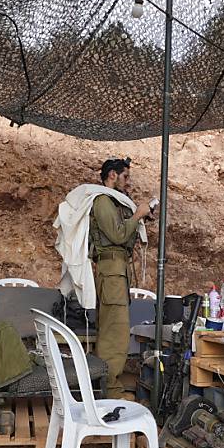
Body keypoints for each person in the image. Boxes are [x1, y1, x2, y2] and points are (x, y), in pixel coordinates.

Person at [91, 157, 150, 399]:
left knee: (114, 327)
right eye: (125, 176)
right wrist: (136, 216)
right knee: (114, 330)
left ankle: (107, 384)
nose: (128, 182)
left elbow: (124, 237)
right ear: (112, 175)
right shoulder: (103, 200)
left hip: (117, 270)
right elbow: (117, 235)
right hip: (111, 270)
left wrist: (135, 218)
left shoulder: (115, 203)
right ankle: (110, 390)